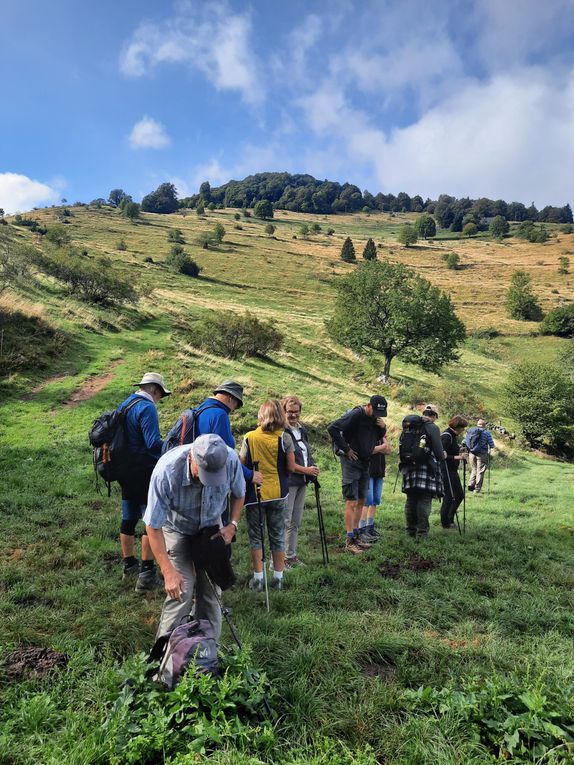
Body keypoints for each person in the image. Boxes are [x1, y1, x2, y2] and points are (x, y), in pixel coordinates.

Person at [144, 434, 246, 639]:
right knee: (181, 590)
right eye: (205, 474)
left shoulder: (231, 459)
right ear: (192, 458)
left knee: (210, 592)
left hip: (211, 528)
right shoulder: (166, 471)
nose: (209, 482)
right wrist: (168, 571)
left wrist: (232, 525)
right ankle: (164, 660)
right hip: (176, 528)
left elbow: (239, 493)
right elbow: (153, 526)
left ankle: (206, 654)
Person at [118, 372, 171, 592]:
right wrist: (172, 446)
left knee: (128, 516)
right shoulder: (147, 407)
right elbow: (151, 443)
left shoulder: (127, 403)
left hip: (123, 468)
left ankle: (129, 564)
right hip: (143, 469)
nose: (159, 399)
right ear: (155, 390)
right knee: (150, 519)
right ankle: (147, 574)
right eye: (160, 395)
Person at [240, 400, 295, 591]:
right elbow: (290, 467)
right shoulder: (285, 438)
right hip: (279, 493)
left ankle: (258, 579)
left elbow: (241, 463)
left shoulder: (249, 437)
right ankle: (278, 578)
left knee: (256, 536)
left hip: (255, 494)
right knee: (277, 535)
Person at [326, 396, 388, 555]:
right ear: (369, 406)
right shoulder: (356, 414)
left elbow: (377, 437)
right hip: (351, 463)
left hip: (365, 462)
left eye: (381, 413)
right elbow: (332, 428)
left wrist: (383, 427)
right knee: (352, 501)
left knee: (362, 500)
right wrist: (346, 450)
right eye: (376, 411)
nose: (377, 415)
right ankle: (349, 540)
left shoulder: (376, 419)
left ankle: (357, 535)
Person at [282, 395, 320, 567]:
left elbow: (305, 453)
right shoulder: (282, 432)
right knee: (285, 520)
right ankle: (279, 559)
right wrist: (307, 470)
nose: (293, 416)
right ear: (283, 412)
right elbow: (287, 463)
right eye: (290, 412)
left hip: (302, 481)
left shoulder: (301, 430)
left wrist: (312, 467)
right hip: (289, 481)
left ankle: (291, 555)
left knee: (296, 520)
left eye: (296, 412)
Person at [401, 403, 446, 539]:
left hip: (409, 466)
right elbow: (438, 452)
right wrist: (443, 454)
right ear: (435, 416)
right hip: (426, 467)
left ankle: (410, 531)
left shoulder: (410, 425)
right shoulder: (432, 427)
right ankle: (422, 533)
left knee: (411, 499)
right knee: (424, 499)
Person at [359, 425, 391, 542]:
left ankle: (369, 527)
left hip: (379, 471)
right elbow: (368, 450)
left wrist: (384, 441)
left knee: (375, 501)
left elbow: (388, 451)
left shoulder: (381, 436)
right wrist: (382, 446)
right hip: (368, 472)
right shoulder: (367, 434)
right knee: (367, 501)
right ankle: (361, 530)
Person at [440, 415, 469, 530]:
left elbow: (449, 450)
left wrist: (459, 449)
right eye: (462, 428)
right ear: (457, 427)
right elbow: (441, 455)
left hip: (452, 470)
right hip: (445, 470)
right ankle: (445, 523)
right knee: (449, 496)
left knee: (459, 495)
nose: (463, 430)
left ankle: (450, 519)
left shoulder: (453, 435)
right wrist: (459, 457)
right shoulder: (446, 436)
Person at [464, 419, 495, 494]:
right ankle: (477, 489)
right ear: (484, 425)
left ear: (477, 424)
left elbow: (465, 441)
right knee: (480, 471)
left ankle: (470, 484)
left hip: (471, 453)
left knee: (474, 469)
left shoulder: (471, 431)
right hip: (482, 454)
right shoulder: (487, 433)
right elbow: (492, 445)